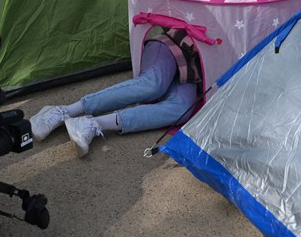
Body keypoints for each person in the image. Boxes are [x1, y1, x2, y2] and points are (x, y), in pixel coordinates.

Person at [29, 28, 203, 157]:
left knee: (181, 109)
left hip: (193, 72)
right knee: (153, 84)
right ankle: (63, 111)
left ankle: (93, 124)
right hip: (170, 46)